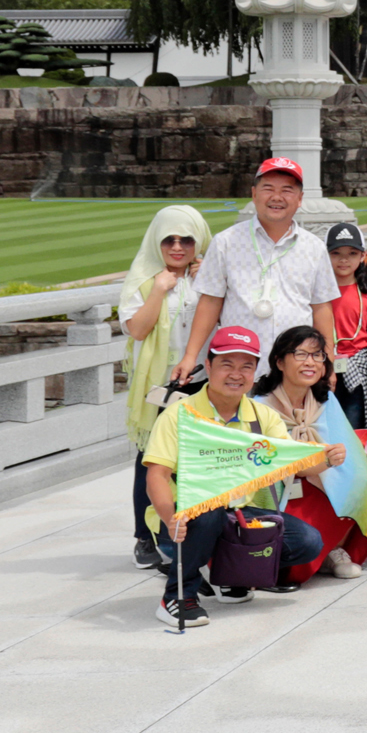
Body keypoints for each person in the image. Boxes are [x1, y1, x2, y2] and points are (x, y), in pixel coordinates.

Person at [142, 325, 330, 627]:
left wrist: (326, 459)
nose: (236, 374)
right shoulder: (179, 415)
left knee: (307, 542)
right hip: (184, 516)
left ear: (255, 372)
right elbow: (157, 475)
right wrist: (170, 518)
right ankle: (177, 596)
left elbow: (291, 463)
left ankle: (228, 576)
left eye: (246, 367)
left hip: (240, 513)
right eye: (226, 364)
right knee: (208, 514)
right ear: (208, 366)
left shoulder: (262, 415)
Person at [179, 156, 339, 380]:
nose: (277, 197)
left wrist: (328, 362)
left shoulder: (314, 247)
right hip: (240, 368)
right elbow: (210, 302)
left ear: (300, 199)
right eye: (268, 189)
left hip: (296, 370)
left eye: (287, 190)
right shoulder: (226, 242)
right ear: (254, 194)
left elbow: (321, 308)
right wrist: (190, 356)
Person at [120, 204, 211, 568]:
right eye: (168, 240)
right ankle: (146, 536)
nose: (177, 247)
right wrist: (158, 290)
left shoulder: (209, 276)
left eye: (186, 240)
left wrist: (208, 279)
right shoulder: (144, 279)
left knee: (199, 460)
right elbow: (137, 329)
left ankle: (192, 532)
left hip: (203, 380)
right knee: (152, 460)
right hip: (160, 385)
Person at [258, 326, 367, 581]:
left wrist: (336, 461)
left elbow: (346, 445)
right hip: (280, 483)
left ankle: (334, 548)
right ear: (279, 362)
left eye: (317, 355)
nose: (310, 362)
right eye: (300, 354)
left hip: (321, 473)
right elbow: (267, 460)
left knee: (357, 480)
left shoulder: (326, 399)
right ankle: (314, 554)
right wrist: (315, 460)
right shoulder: (259, 405)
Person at [322, 221, 367, 421]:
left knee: (354, 429)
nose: (344, 260)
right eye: (336, 253)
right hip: (322, 368)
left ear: (362, 256)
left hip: (358, 371)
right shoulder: (316, 294)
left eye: (352, 253)